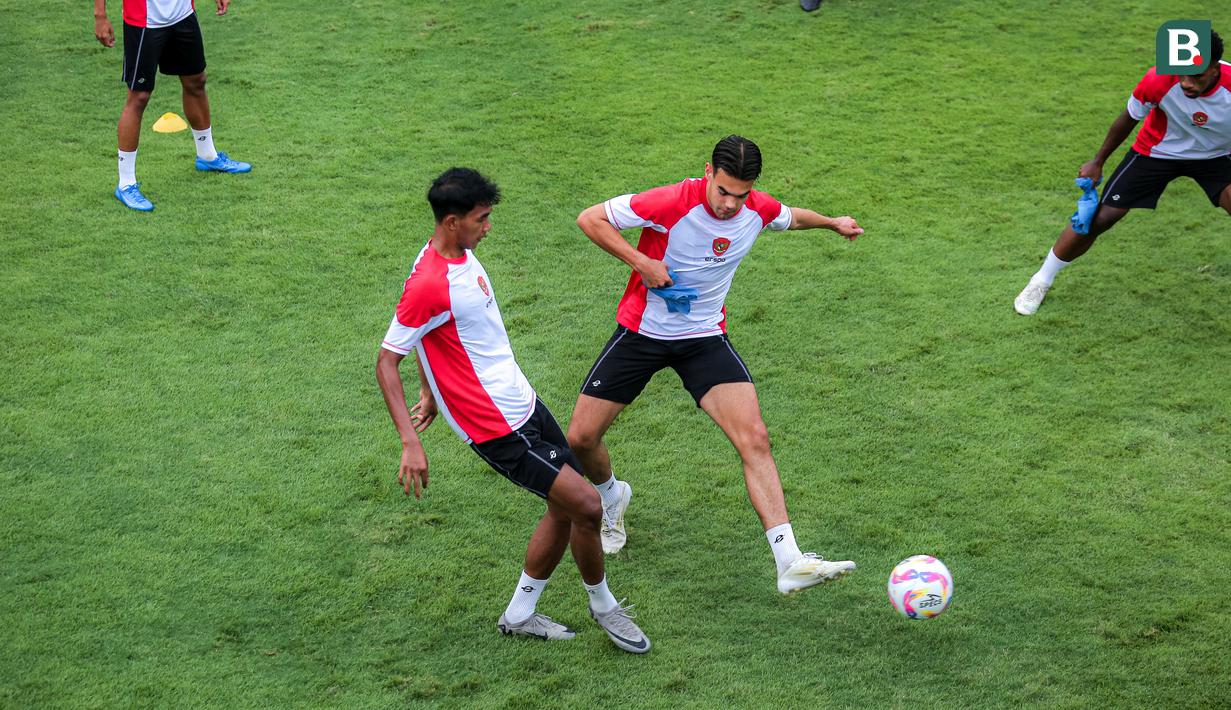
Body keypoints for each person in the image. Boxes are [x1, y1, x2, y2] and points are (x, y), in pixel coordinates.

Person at [566, 135, 863, 595]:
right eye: (722, 191)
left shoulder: (756, 209)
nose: (729, 204)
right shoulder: (669, 202)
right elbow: (591, 219)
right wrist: (641, 259)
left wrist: (832, 223)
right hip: (642, 334)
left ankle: (789, 560)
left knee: (755, 437)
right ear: (707, 172)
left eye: (740, 195)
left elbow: (791, 218)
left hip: (703, 339)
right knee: (581, 438)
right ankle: (612, 495)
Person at [376, 168, 650, 653]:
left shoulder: (459, 254)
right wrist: (410, 440)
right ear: (453, 221)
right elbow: (386, 359)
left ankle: (520, 614)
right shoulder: (428, 283)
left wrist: (429, 388)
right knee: (586, 505)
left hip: (522, 401)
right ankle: (604, 606)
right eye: (482, 219)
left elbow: (428, 338)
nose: (489, 227)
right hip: (493, 427)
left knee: (563, 507)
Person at [1015, 31, 1231, 315]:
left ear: (1216, 67)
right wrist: (1098, 161)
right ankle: (1040, 280)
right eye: (1181, 75)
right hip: (1158, 152)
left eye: (1197, 76)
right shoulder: (1158, 80)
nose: (1187, 84)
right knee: (1099, 218)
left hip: (1216, 155)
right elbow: (1128, 119)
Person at [93, 0, 251, 212]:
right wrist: (100, 16)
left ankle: (207, 156)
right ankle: (126, 183)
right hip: (144, 21)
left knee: (196, 81)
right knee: (138, 97)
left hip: (183, 14)